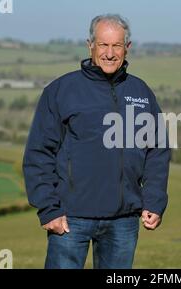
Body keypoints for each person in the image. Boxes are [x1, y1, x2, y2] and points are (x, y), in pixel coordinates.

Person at [23, 14, 171, 269]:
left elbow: (157, 151)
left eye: (117, 45)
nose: (110, 53)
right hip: (70, 219)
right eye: (103, 44)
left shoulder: (141, 93)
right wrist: (49, 209)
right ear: (90, 45)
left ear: (128, 47)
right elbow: (39, 153)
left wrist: (154, 201)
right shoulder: (61, 91)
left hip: (123, 221)